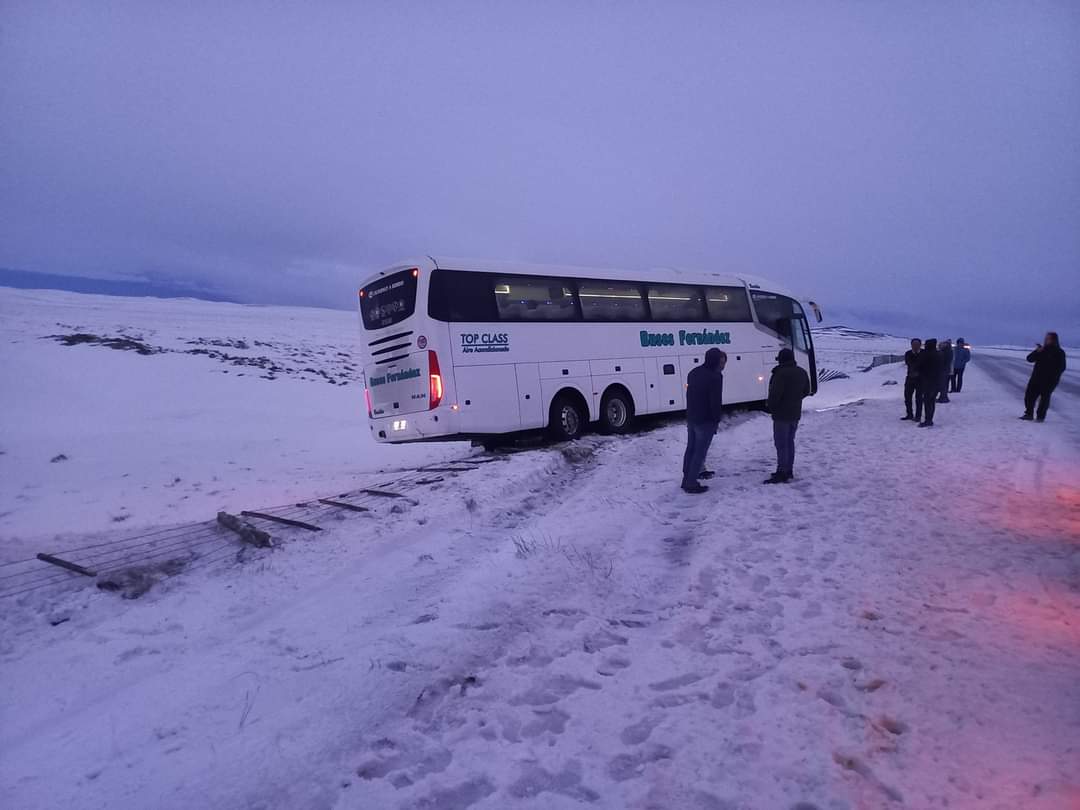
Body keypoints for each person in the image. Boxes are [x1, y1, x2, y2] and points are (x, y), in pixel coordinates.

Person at [681, 348, 726, 493]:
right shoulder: (715, 376)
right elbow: (715, 401)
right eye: (721, 360)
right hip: (706, 420)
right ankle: (691, 483)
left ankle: (686, 479)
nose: (723, 363)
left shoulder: (693, 373)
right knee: (699, 452)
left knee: (691, 449)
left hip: (692, 417)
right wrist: (716, 420)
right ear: (716, 360)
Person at [764, 348, 811, 484]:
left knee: (781, 444)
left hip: (781, 415)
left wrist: (771, 407)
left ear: (781, 359)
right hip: (795, 413)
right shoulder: (802, 372)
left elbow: (775, 395)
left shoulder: (780, 374)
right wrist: (795, 400)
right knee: (790, 442)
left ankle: (781, 472)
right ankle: (789, 470)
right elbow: (806, 391)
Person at [1021, 332, 1067, 422]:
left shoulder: (1059, 352)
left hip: (1049, 380)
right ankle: (1029, 414)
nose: (1046, 340)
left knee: (1044, 398)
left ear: (1054, 340)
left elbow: (1062, 367)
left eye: (1049, 338)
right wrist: (1037, 351)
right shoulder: (1042, 350)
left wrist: (1053, 377)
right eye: (1046, 338)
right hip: (1036, 378)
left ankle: (1040, 417)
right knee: (1029, 396)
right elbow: (1029, 359)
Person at [917, 338, 941, 427]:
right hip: (936, 381)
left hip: (928, 381)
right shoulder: (939, 354)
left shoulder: (926, 354)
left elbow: (920, 366)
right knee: (931, 401)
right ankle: (930, 419)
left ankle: (928, 420)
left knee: (927, 401)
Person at [902, 338, 923, 421]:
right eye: (913, 344)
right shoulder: (908, 353)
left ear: (920, 345)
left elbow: (923, 364)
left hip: (920, 379)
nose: (915, 346)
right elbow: (909, 363)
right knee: (907, 397)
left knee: (919, 398)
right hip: (910, 378)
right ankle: (909, 414)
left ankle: (918, 416)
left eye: (917, 344)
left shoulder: (924, 353)